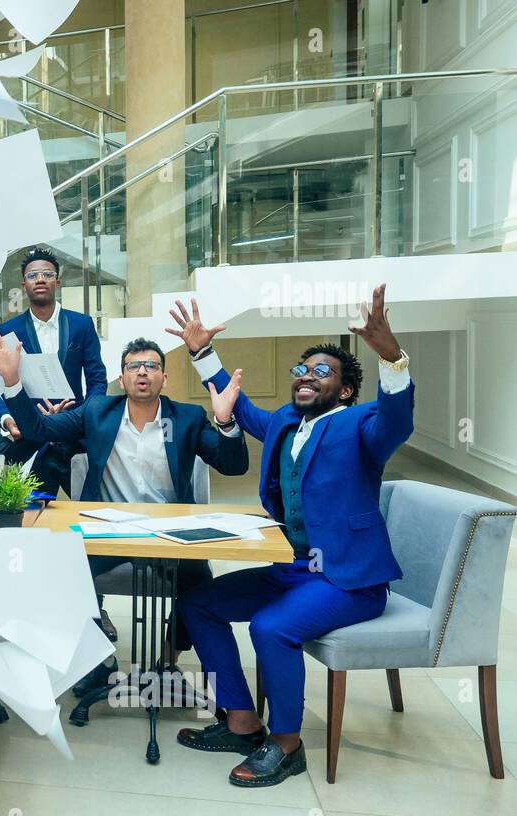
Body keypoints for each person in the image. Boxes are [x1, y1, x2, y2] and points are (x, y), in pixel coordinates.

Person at [168, 284, 412, 787]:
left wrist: (392, 357)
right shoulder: (284, 421)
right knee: (198, 604)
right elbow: (240, 407)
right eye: (301, 370)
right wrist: (201, 353)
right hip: (291, 570)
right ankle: (240, 720)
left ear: (345, 390)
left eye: (321, 371)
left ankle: (286, 743)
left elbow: (396, 421)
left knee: (269, 628)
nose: (305, 375)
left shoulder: (363, 422)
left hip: (348, 580)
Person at [0, 332, 248, 688]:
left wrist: (227, 422)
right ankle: (100, 659)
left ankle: (167, 660)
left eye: (152, 365)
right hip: (108, 531)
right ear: (122, 378)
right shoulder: (98, 412)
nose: (143, 372)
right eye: (133, 366)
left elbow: (234, 467)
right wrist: (13, 383)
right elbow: (39, 429)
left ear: (164, 378)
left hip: (168, 535)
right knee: (65, 572)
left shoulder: (187, 418)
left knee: (200, 585)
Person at [0, 248, 108, 496]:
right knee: (32, 514)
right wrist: (8, 420)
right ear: (24, 284)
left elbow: (97, 380)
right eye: (33, 275)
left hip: (76, 433)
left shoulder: (81, 324)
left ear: (57, 281)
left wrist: (85, 416)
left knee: (90, 507)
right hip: (32, 436)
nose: (40, 279)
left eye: (47, 274)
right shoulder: (9, 329)